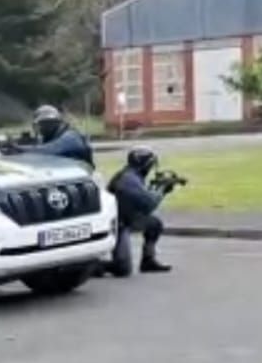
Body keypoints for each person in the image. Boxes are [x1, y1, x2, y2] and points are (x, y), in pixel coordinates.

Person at [107, 147, 172, 276]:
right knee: (122, 269)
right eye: (150, 165)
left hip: (126, 218)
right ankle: (94, 267)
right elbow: (148, 204)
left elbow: (141, 199)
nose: (150, 168)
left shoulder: (131, 175)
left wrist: (156, 188)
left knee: (154, 224)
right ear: (144, 164)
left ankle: (148, 261)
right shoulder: (129, 179)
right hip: (116, 225)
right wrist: (162, 190)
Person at [24, 105, 95, 166]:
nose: (43, 127)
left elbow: (51, 150)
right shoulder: (47, 139)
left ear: (58, 122)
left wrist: (19, 149)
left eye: (47, 123)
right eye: (40, 124)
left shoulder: (71, 136)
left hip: (82, 178)